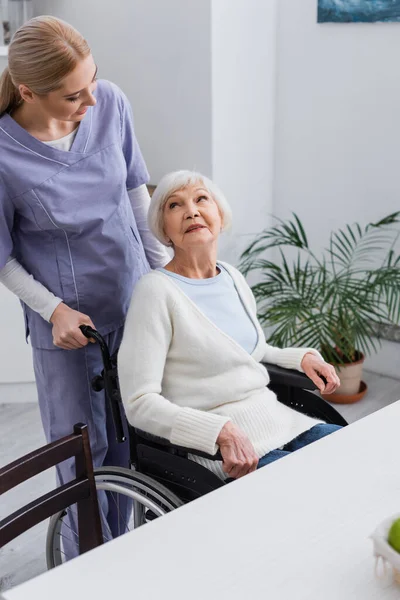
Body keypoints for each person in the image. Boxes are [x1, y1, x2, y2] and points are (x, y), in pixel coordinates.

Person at [0, 16, 169, 547]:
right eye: (74, 95)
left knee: (139, 441)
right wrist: (54, 311)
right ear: (29, 91)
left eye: (93, 80)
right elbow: (2, 258)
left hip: (135, 299)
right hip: (69, 327)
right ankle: (88, 567)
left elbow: (136, 191)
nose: (91, 100)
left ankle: (136, 551)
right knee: (84, 460)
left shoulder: (111, 102)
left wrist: (165, 274)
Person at [118, 170, 342, 481]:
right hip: (218, 450)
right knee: (312, 488)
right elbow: (138, 403)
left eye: (201, 199)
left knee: (354, 455)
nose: (192, 211)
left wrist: (301, 358)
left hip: (278, 421)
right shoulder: (155, 292)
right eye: (175, 205)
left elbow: (250, 350)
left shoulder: (231, 277)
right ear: (163, 230)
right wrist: (217, 431)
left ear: (219, 216)